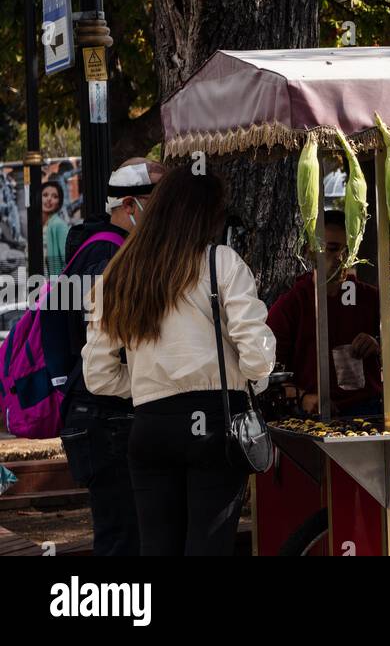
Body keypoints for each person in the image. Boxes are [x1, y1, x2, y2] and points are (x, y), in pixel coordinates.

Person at [81, 168, 276, 556]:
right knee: (208, 546)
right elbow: (256, 351)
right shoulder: (221, 262)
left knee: (157, 546)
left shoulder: (119, 272)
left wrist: (146, 388)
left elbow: (98, 375)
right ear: (207, 217)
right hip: (217, 419)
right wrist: (250, 382)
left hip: (151, 424)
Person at [43, 158, 165, 557]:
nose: (168, 209)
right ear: (130, 204)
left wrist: (64, 382)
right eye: (160, 200)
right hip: (105, 415)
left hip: (94, 412)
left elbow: (54, 312)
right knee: (123, 536)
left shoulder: (95, 247)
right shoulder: (109, 256)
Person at [267, 210, 390, 417]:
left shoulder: (372, 298)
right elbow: (268, 375)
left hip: (367, 412)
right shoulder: (291, 304)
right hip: (311, 417)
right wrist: (304, 397)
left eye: (349, 251)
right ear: (312, 251)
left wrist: (380, 347)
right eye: (332, 249)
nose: (341, 258)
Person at [41, 181, 70, 276]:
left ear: (59, 203)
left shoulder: (59, 225)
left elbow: (67, 260)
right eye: (45, 195)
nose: (49, 199)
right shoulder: (36, 226)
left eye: (54, 196)